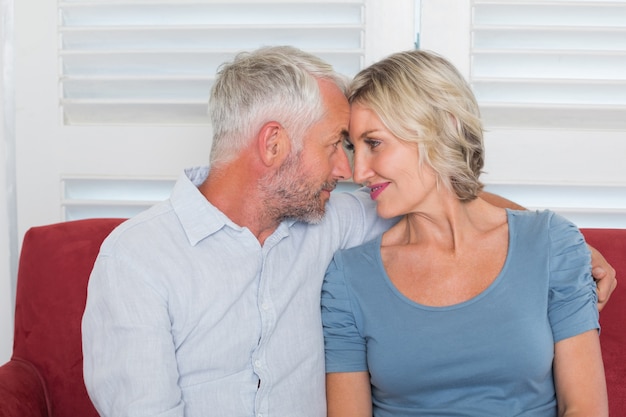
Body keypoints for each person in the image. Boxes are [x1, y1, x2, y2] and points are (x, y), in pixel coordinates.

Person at [82, 46, 615, 417]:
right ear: (272, 145)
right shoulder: (138, 261)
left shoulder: (332, 220)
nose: (350, 172)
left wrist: (557, 243)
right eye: (337, 144)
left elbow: (443, 192)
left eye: (365, 146)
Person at [322, 49, 609, 417]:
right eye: (351, 147)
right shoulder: (348, 277)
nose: (357, 172)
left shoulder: (552, 244)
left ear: (445, 128)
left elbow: (584, 407)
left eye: (374, 143)